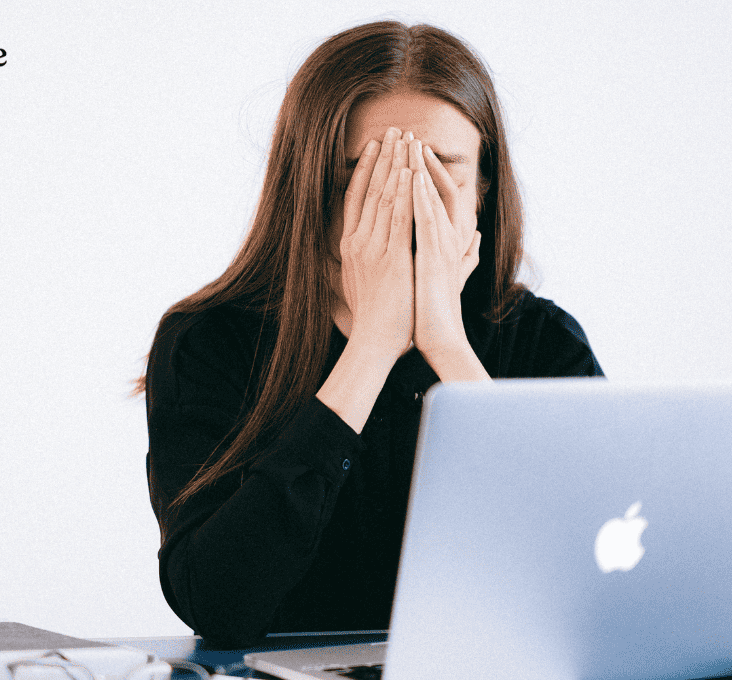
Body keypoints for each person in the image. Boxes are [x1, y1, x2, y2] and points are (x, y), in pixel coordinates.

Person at [139, 20, 603, 648]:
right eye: (366, 174)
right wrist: (372, 347)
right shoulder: (207, 341)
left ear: (484, 189)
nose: (406, 201)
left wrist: (446, 345)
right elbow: (219, 603)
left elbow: (588, 579)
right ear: (310, 186)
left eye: (441, 171)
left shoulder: (541, 340)